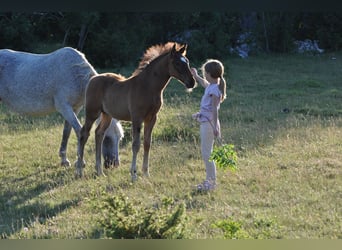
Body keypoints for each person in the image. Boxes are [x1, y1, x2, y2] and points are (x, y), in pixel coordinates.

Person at [191, 59, 227, 191]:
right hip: (207, 122)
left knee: (207, 153)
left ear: (210, 74)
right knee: (206, 152)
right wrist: (196, 76)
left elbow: (214, 109)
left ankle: (211, 183)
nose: (204, 74)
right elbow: (204, 83)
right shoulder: (213, 85)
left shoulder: (215, 90)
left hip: (209, 124)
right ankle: (209, 181)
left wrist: (215, 127)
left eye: (204, 72)